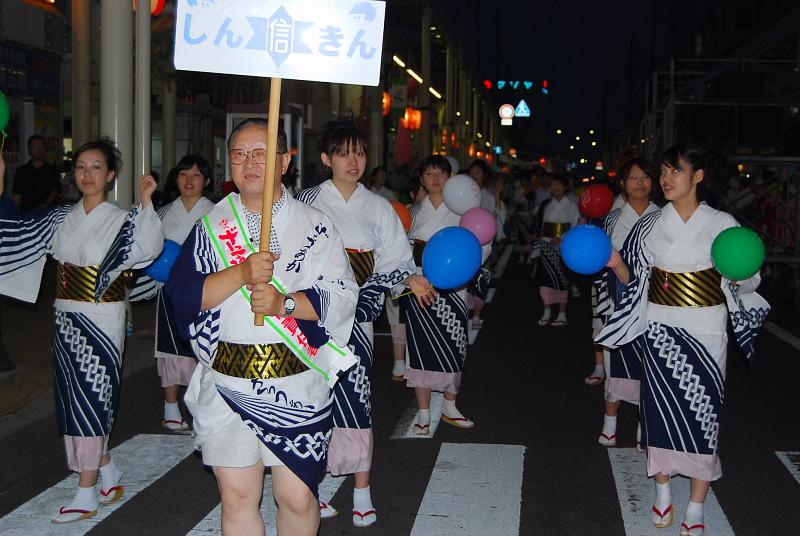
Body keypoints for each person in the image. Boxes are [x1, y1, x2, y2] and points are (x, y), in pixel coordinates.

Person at [166, 119, 358, 536]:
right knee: (237, 497)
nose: (250, 162)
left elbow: (342, 295)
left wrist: (283, 303)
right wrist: (241, 273)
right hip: (229, 381)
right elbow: (183, 296)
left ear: (284, 162)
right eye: (240, 154)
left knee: (297, 496)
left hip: (296, 382)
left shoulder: (316, 226)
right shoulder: (211, 227)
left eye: (261, 153)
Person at [597, 143, 769, 536]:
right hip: (660, 328)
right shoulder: (650, 224)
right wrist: (617, 263)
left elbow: (746, 274)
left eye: (675, 170)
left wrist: (741, 277)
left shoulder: (722, 223)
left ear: (699, 176)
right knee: (658, 414)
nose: (666, 179)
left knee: (703, 417)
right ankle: (662, 492)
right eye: (663, 171)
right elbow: (635, 281)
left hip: (705, 330)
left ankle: (695, 504)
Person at [0, 138, 163, 524]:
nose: (87, 174)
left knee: (93, 398)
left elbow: (147, 246)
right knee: (72, 398)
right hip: (65, 316)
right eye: (80, 167)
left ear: (110, 175)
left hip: (101, 320)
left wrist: (146, 204)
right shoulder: (59, 217)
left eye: (96, 167)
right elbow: (14, 229)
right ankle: (107, 471)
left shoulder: (123, 220)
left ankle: (86, 492)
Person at [296, 121, 434, 527]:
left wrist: (409, 279)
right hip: (312, 318)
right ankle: (312, 488)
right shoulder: (305, 201)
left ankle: (361, 491)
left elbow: (395, 259)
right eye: (343, 153)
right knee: (312, 401)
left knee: (356, 399)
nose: (352, 161)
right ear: (327, 159)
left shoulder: (379, 207)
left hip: (357, 318)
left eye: (358, 152)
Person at [402, 155, 491, 435]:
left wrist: (466, 265)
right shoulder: (412, 213)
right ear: (421, 179)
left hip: (453, 288)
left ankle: (450, 406)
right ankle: (424, 411)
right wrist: (408, 278)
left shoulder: (463, 212)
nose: (435, 178)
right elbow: (398, 251)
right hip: (419, 287)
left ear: (450, 177)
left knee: (454, 346)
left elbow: (481, 245)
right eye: (429, 174)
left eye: (441, 173)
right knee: (419, 350)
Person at [591, 158, 659, 451]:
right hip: (618, 303)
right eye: (633, 177)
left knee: (651, 369)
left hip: (655, 304)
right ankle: (610, 423)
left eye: (645, 177)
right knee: (616, 364)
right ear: (622, 183)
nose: (640, 183)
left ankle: (646, 425)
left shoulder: (664, 218)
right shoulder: (612, 219)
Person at [154, 155, 215, 431]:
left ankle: (203, 412)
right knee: (170, 349)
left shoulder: (216, 213)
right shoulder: (163, 213)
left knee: (202, 349)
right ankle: (170, 409)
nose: (189, 180)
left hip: (205, 290)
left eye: (196, 175)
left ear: (207, 181)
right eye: (183, 174)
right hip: (169, 291)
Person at [532, 173, 581, 327]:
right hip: (547, 247)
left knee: (562, 281)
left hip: (564, 248)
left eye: (559, 184)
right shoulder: (546, 204)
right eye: (553, 184)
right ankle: (546, 311)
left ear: (565, 186)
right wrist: (548, 239)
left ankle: (562, 314)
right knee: (544, 281)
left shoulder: (572, 206)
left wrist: (563, 240)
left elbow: (576, 228)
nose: (555, 187)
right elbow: (541, 226)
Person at [12, 134, 62, 211]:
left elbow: (55, 190)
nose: (39, 149)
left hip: (48, 213)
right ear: (29, 151)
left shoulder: (53, 170)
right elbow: (17, 195)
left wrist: (46, 204)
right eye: (35, 147)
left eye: (42, 146)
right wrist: (13, 213)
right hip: (27, 213)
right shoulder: (22, 171)